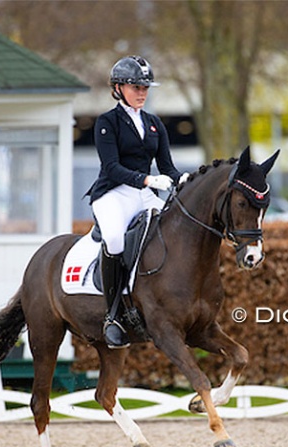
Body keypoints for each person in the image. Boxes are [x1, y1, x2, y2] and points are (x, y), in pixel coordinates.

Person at [89, 55, 189, 349]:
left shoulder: (154, 123)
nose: (142, 93)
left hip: (144, 195)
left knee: (171, 233)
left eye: (145, 87)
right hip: (113, 193)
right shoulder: (107, 123)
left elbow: (167, 166)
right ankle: (112, 315)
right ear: (118, 88)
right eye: (136, 87)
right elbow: (112, 167)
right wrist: (148, 180)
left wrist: (180, 179)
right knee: (116, 240)